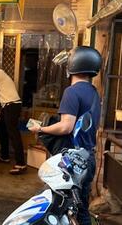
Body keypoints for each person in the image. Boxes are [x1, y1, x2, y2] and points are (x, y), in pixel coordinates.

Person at [29, 46, 102, 225]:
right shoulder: (93, 93)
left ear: (72, 65)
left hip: (73, 161)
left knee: (63, 207)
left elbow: (65, 127)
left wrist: (41, 129)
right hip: (88, 157)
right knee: (81, 207)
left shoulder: (72, 92)